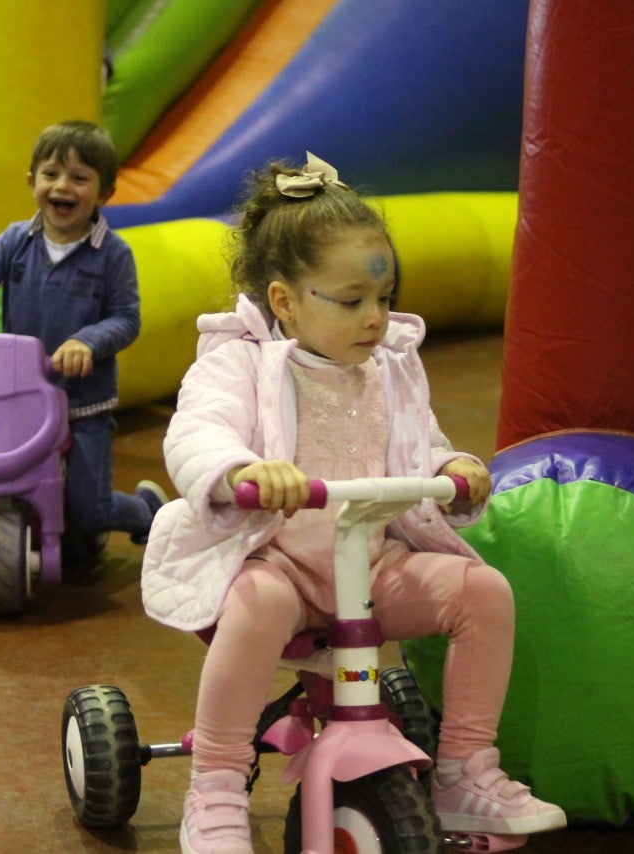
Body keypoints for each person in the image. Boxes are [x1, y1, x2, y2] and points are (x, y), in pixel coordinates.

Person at [140, 153, 568, 853]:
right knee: (259, 604)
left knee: (482, 593)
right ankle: (215, 784)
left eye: (384, 298)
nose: (375, 317)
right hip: (272, 557)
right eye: (351, 300)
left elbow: (416, 447)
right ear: (286, 301)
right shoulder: (238, 360)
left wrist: (449, 465)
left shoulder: (390, 369)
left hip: (365, 568)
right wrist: (241, 469)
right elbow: (197, 432)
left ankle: (464, 772)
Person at [0, 119, 166, 555]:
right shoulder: (16, 241)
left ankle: (146, 510)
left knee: (89, 515)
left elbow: (126, 319)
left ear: (105, 193)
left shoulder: (113, 255)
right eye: (51, 174)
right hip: (18, 395)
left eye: (80, 178)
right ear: (32, 182)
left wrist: (88, 342)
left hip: (83, 402)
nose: (62, 186)